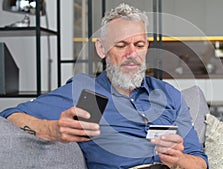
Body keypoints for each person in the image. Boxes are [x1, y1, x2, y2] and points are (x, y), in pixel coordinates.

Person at [0, 3, 208, 169]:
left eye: (139, 45)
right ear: (101, 48)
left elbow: (199, 162)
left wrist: (178, 159)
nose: (132, 55)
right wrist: (51, 130)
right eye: (121, 45)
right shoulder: (87, 93)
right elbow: (10, 115)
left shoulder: (168, 95)